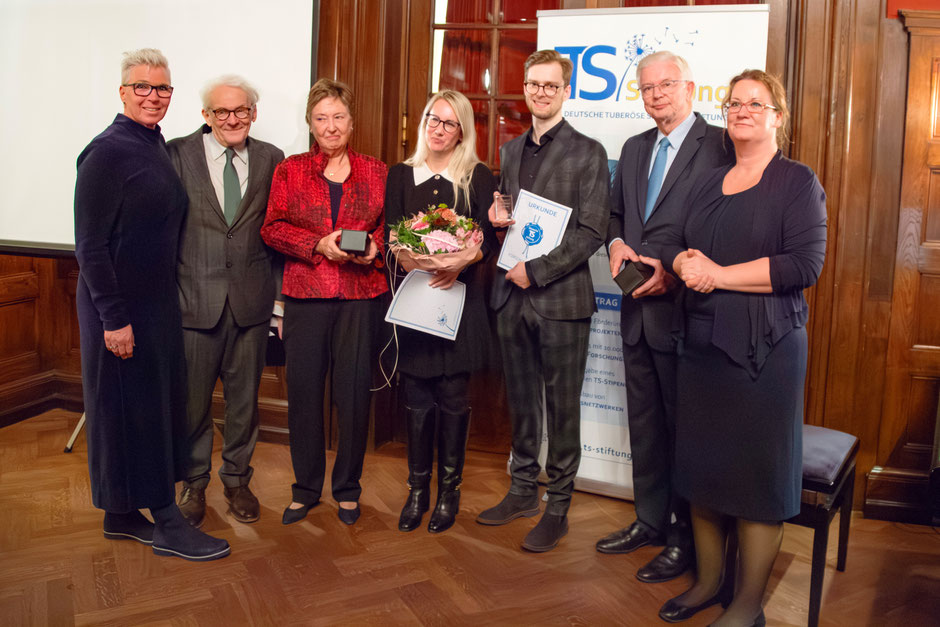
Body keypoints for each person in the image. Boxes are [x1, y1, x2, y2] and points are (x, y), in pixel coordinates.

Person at [658, 70, 827, 626]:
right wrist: (683, 262)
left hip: (765, 351)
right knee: (702, 474)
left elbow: (804, 266)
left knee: (755, 484)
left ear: (778, 116)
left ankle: (748, 606)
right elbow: (676, 241)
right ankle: (708, 583)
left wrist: (718, 275)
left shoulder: (797, 181)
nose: (743, 110)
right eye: (734, 103)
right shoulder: (709, 181)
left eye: (756, 103)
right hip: (701, 345)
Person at [74, 48, 230, 561]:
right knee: (133, 412)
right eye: (142, 86)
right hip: (119, 309)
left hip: (154, 305)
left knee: (144, 409)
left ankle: (120, 515)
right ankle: (167, 521)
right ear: (123, 91)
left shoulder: (152, 142)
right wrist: (114, 319)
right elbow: (90, 246)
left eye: (162, 88)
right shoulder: (106, 152)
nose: (153, 96)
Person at [598, 51, 732, 583]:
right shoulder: (634, 148)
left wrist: (676, 271)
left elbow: (728, 225)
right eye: (647, 87)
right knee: (646, 426)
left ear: (691, 88)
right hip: (636, 310)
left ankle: (686, 538)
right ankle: (649, 520)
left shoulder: (721, 144)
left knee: (685, 432)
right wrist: (615, 244)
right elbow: (615, 215)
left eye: (667, 85)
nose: (656, 95)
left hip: (688, 312)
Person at [476, 50, 611, 552]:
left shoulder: (589, 151)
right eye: (534, 84)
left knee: (562, 408)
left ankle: (557, 507)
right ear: (526, 87)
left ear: (566, 91)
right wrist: (498, 219)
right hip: (510, 297)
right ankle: (521, 491)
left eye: (551, 85)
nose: (541, 92)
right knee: (522, 401)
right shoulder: (511, 150)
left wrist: (536, 271)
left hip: (561, 301)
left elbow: (593, 231)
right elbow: (513, 217)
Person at [261, 78, 388, 526]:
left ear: (352, 121)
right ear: (310, 124)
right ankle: (305, 489)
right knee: (304, 395)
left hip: (360, 297)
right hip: (305, 296)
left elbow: (389, 229)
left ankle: (348, 490)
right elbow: (272, 228)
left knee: (353, 396)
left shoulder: (377, 170)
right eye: (321, 118)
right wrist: (317, 244)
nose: (330, 126)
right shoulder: (290, 170)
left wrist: (374, 247)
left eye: (338, 117)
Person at [167, 76, 285, 527]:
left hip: (252, 305)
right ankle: (194, 484)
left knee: (244, 404)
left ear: (253, 113)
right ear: (206, 115)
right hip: (193, 303)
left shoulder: (272, 158)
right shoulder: (176, 154)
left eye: (241, 111)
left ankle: (237, 481)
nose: (232, 119)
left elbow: (276, 232)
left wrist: (278, 304)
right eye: (222, 111)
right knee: (192, 405)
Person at [385, 90, 497, 534]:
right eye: (434, 118)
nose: (438, 128)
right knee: (416, 397)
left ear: (462, 132)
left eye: (450, 123)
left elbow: (488, 238)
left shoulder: (477, 176)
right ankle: (417, 491)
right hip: (416, 303)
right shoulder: (400, 174)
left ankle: (450, 494)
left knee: (453, 398)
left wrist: (461, 261)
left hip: (458, 305)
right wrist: (410, 258)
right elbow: (392, 232)